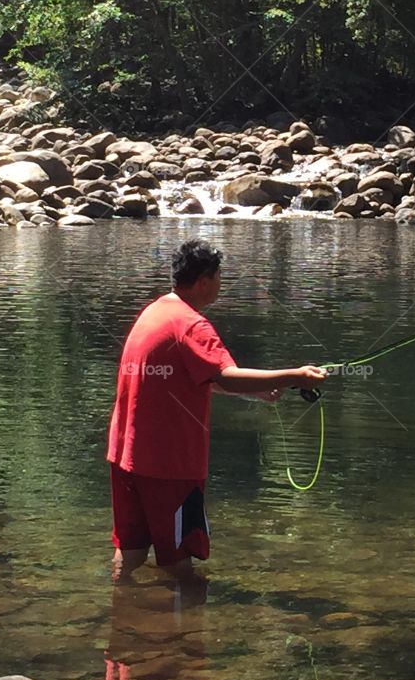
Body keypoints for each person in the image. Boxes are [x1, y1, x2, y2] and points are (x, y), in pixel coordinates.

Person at [106, 238, 327, 581]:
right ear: (204, 280)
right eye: (220, 276)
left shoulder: (155, 312)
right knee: (178, 560)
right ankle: (185, 630)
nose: (221, 284)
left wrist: (255, 393)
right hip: (168, 465)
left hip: (125, 457)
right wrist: (295, 376)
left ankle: (122, 619)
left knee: (131, 550)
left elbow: (196, 377)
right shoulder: (192, 324)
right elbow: (225, 374)